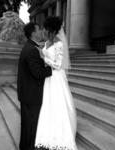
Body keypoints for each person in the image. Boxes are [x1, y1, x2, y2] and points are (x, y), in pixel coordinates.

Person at [35, 16, 78, 150]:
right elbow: (43, 54)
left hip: (57, 77)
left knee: (58, 104)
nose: (45, 32)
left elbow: (58, 65)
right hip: (47, 77)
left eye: (47, 30)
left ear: (52, 31)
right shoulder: (47, 43)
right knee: (48, 104)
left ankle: (61, 134)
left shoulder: (59, 44)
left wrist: (44, 58)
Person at [17, 22, 52, 150]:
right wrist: (51, 68)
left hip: (27, 93)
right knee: (31, 125)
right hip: (31, 95)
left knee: (27, 124)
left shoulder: (29, 46)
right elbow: (38, 73)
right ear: (33, 33)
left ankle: (24, 146)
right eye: (38, 29)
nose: (41, 31)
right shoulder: (32, 50)